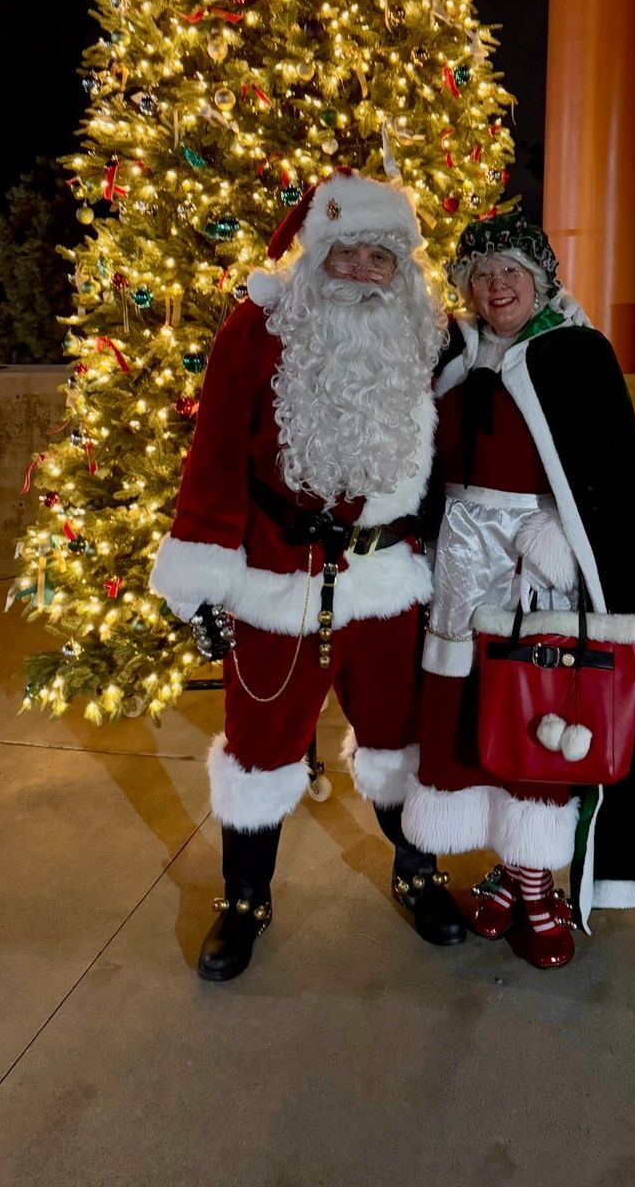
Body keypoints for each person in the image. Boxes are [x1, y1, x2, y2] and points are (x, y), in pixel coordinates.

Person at [150, 172, 465, 981]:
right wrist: (202, 577)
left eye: (380, 257)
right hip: (279, 584)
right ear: (315, 255)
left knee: (402, 736)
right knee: (258, 751)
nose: (362, 270)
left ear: (402, 269)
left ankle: (417, 871)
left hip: (390, 582)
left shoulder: (428, 336)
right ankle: (245, 900)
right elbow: (214, 458)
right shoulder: (256, 331)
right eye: (345, 254)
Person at [402, 211, 635, 970]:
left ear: (539, 279)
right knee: (474, 720)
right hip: (459, 570)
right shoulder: (452, 355)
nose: (496, 285)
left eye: (511, 271)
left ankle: (539, 886)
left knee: (533, 719)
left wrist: (567, 539)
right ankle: (509, 869)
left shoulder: (577, 356)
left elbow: (607, 480)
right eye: (481, 274)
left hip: (537, 572)